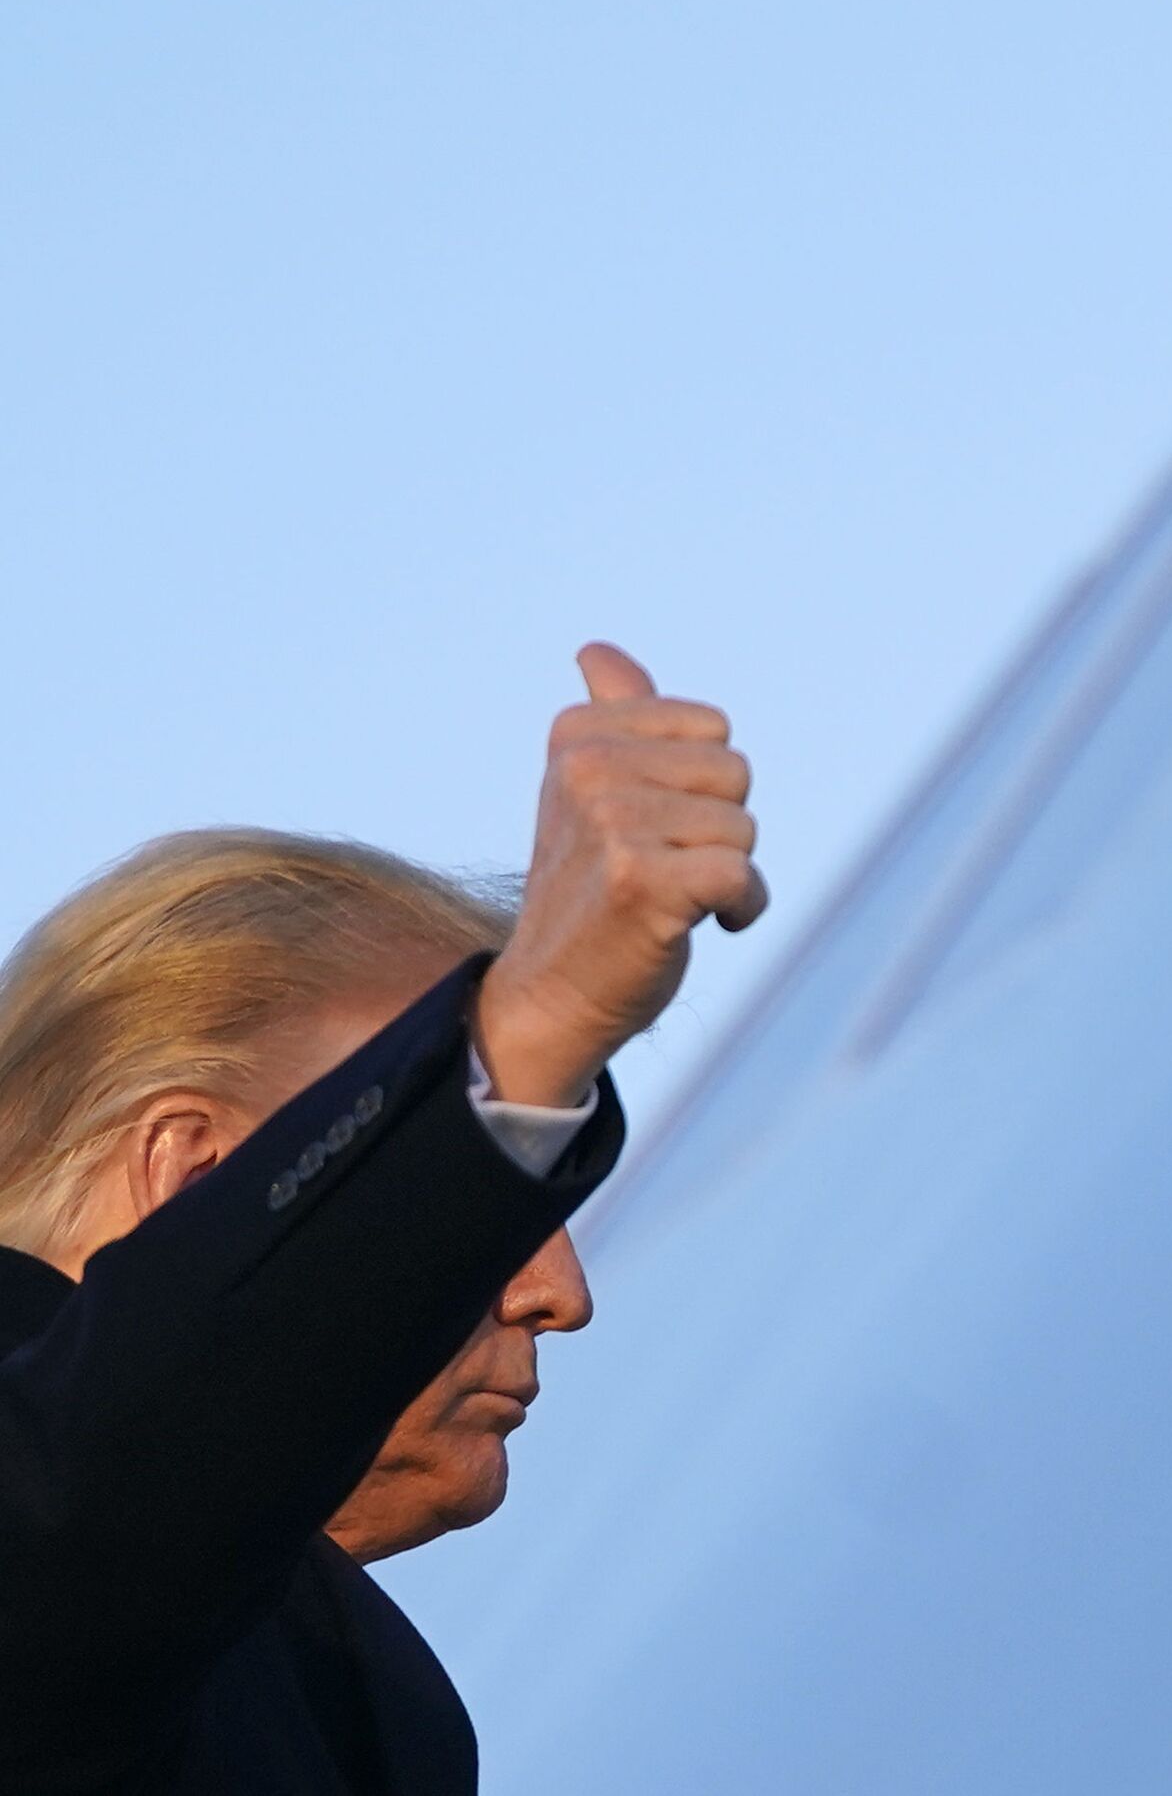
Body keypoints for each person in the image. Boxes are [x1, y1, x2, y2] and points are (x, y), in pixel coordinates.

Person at [0, 642, 766, 1793]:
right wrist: (533, 1028)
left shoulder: (355, 1694)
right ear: (191, 1176)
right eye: (477, 1207)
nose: (561, 1293)